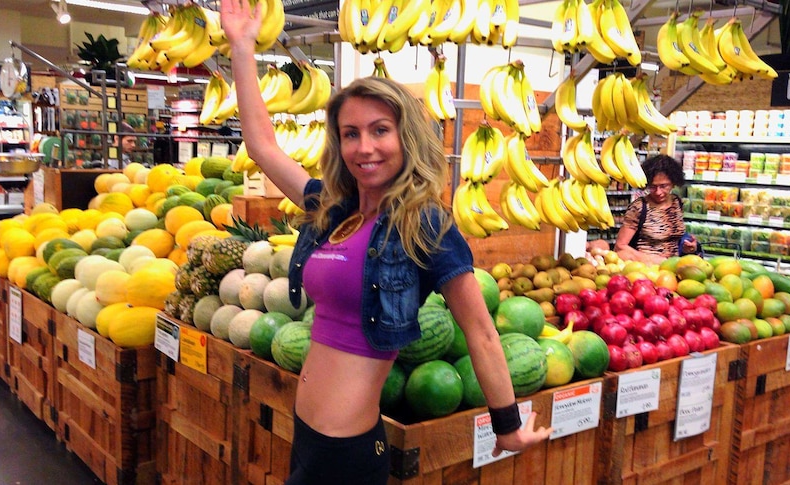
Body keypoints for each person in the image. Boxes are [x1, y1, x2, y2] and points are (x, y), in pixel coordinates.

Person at [220, 1, 552, 483]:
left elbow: (480, 331)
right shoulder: (332, 208)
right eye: (350, 134)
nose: (364, 147)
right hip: (310, 436)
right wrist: (242, 48)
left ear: (406, 137)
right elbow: (263, 147)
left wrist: (507, 426)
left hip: (348, 452)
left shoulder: (425, 225)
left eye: (380, 130)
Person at [614, 154, 699, 265]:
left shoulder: (677, 203)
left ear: (673, 183)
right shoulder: (639, 207)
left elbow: (673, 239)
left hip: (673, 269)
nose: (658, 192)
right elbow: (620, 247)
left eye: (664, 186)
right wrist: (652, 260)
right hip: (646, 271)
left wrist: (688, 248)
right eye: (653, 187)